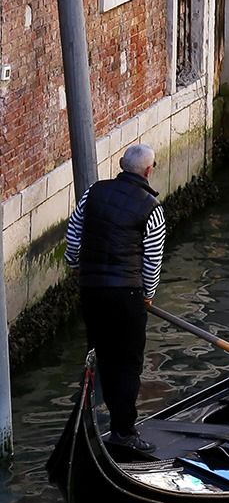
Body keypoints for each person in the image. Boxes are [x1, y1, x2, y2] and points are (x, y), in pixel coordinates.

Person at [65, 143, 166, 452]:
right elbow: (152, 262)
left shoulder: (92, 193)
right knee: (127, 363)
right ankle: (123, 431)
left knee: (99, 356)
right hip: (127, 295)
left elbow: (73, 235)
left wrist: (74, 264)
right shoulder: (152, 208)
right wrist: (147, 296)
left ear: (122, 164)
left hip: (91, 290)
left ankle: (91, 423)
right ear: (149, 171)